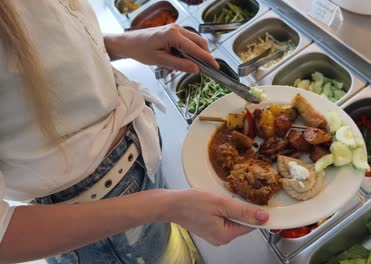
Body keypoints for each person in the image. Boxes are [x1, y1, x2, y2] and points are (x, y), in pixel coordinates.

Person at [0, 1, 269, 263]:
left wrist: (123, 44)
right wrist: (164, 207)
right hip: (91, 226)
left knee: (168, 249)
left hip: (140, 174)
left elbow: (39, 46)